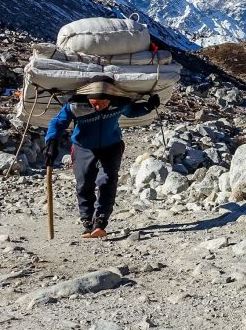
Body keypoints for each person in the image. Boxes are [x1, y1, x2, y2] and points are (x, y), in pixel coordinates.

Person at [45, 75, 160, 238]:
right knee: (84, 184)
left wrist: (148, 107)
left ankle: (100, 221)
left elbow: (131, 111)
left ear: (111, 98)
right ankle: (87, 222)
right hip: (82, 148)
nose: (98, 106)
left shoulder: (119, 103)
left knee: (107, 180)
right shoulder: (76, 105)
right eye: (94, 103)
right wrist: (50, 143)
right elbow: (57, 123)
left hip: (111, 146)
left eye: (102, 103)